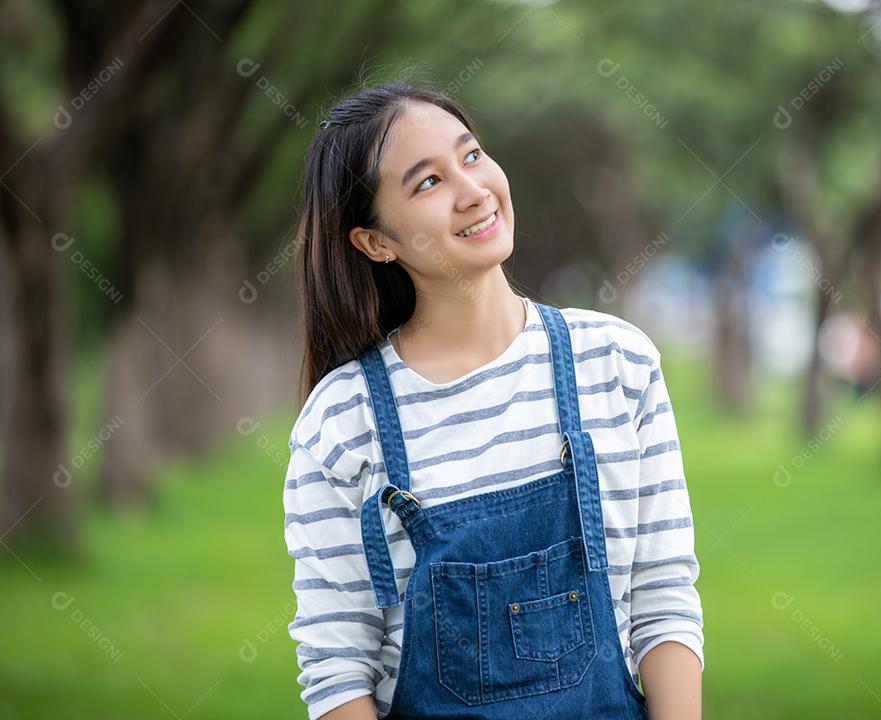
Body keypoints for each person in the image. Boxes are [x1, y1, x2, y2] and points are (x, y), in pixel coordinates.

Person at [284, 78, 704, 720]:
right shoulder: (343, 421)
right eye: (428, 182)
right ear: (375, 242)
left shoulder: (617, 362)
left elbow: (662, 596)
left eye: (471, 155)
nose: (473, 191)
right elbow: (337, 668)